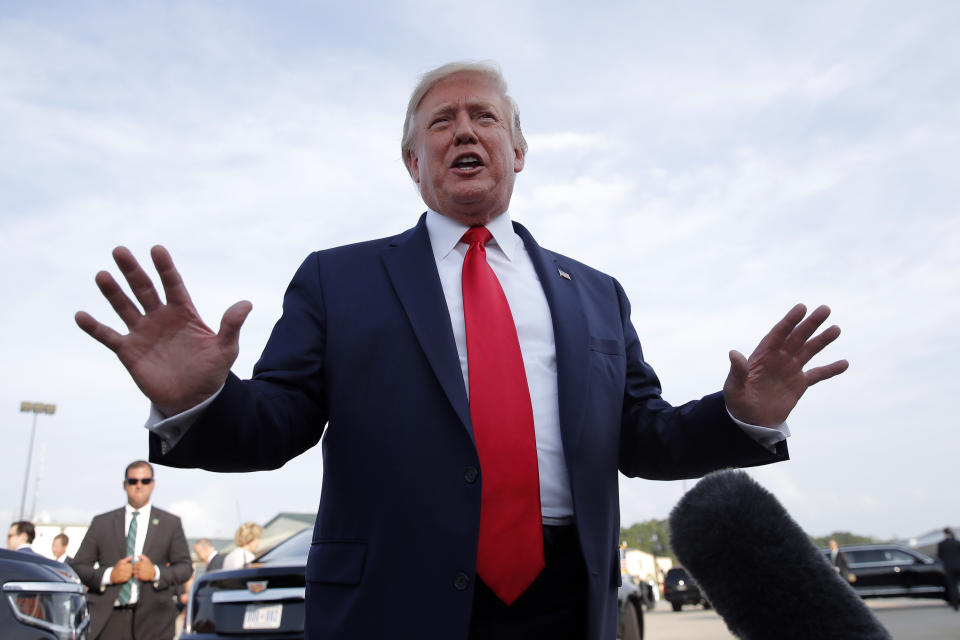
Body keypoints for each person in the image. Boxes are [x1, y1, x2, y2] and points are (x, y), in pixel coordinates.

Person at [75, 62, 848, 639]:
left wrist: (740, 418)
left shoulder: (596, 294)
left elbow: (642, 435)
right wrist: (197, 398)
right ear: (414, 161)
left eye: (484, 117)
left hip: (563, 602)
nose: (465, 130)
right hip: (393, 604)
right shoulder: (338, 280)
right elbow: (274, 425)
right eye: (441, 122)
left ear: (517, 150)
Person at [72, 461, 193, 640]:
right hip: (108, 619)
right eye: (133, 481)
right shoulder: (102, 523)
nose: (139, 486)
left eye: (144, 481)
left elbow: (185, 567)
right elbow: (78, 566)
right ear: (125, 484)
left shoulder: (170, 523)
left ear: (152, 484)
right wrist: (108, 575)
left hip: (154, 620)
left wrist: (156, 573)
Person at [938, 527, 960, 611]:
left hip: (949, 568)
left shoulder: (942, 544)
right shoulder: (957, 542)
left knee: (952, 587)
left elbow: (940, 556)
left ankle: (955, 605)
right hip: (958, 566)